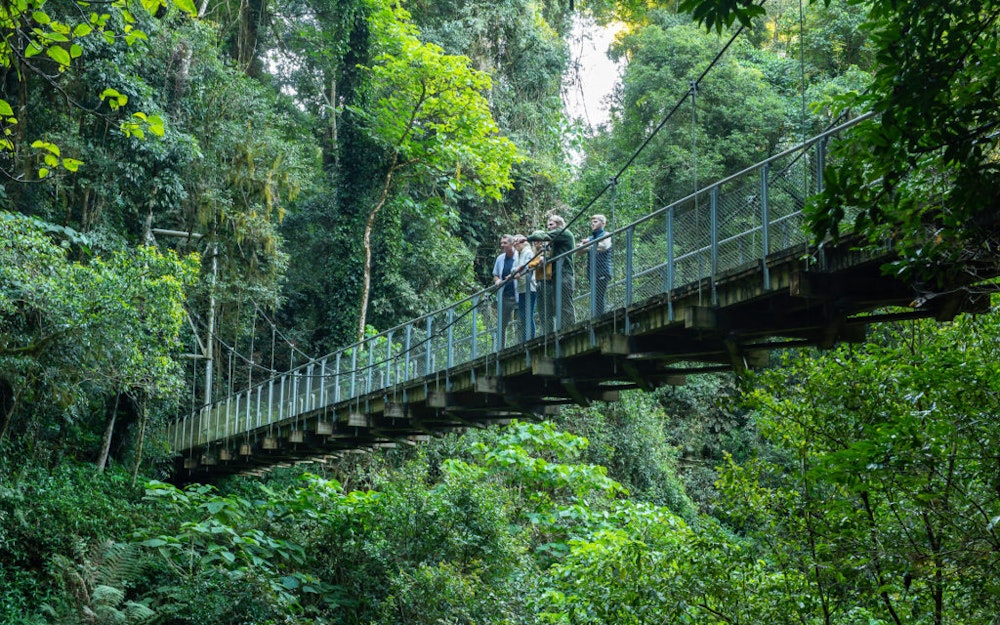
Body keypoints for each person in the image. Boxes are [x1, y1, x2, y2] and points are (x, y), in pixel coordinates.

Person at [534, 214, 576, 333]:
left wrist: (526, 239)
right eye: (548, 226)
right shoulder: (557, 241)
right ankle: (563, 329)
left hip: (564, 273)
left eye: (551, 224)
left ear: (559, 225)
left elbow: (543, 236)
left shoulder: (564, 233)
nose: (549, 228)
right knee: (559, 304)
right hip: (557, 274)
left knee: (565, 303)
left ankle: (569, 329)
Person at [577, 214, 612, 315]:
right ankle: (595, 317)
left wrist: (587, 245)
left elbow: (604, 246)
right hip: (592, 272)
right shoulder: (590, 238)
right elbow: (578, 253)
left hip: (603, 270)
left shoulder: (606, 234)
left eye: (595, 221)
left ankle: (599, 319)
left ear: (603, 223)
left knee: (599, 296)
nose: (592, 223)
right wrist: (581, 245)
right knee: (594, 297)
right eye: (591, 222)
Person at [492, 234, 518, 348]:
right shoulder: (500, 258)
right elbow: (496, 274)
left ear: (512, 244)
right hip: (505, 296)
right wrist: (497, 280)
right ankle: (500, 349)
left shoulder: (519, 256)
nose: (502, 245)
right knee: (502, 324)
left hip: (518, 294)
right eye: (501, 243)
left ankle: (519, 346)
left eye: (505, 243)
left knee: (519, 323)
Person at [512, 234, 536, 341]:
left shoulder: (528, 252)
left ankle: (530, 338)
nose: (516, 245)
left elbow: (528, 267)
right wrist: (516, 271)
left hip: (529, 287)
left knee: (528, 314)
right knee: (522, 315)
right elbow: (514, 268)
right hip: (521, 288)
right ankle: (525, 338)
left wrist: (518, 271)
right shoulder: (518, 254)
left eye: (517, 242)